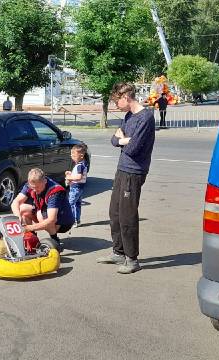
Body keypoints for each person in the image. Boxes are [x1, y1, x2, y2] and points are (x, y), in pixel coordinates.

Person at [97, 82, 155, 274]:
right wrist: (123, 140)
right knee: (114, 212)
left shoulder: (145, 118)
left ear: (126, 97)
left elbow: (133, 148)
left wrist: (123, 140)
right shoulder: (129, 116)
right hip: (122, 168)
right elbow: (114, 140)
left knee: (127, 216)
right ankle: (118, 252)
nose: (115, 105)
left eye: (116, 101)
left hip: (134, 172)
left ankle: (132, 259)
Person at [10, 168, 75, 248]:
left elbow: (51, 220)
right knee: (22, 209)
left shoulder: (55, 191)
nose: (34, 190)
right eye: (32, 187)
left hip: (64, 222)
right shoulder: (31, 185)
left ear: (45, 181)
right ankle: (32, 238)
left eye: (37, 187)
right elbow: (15, 202)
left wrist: (29, 228)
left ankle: (54, 239)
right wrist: (18, 217)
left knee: (42, 217)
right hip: (45, 211)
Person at [64, 145, 88, 228]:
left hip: (76, 187)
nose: (72, 157)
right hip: (79, 187)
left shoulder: (79, 166)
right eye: (71, 155)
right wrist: (71, 174)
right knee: (77, 204)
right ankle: (77, 220)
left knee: (71, 204)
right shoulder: (82, 163)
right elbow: (78, 175)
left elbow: (78, 177)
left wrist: (69, 177)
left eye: (74, 155)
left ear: (81, 155)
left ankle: (73, 221)